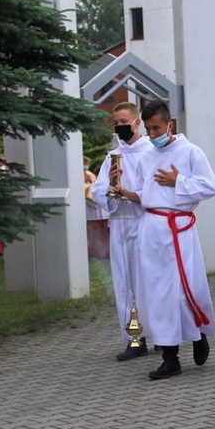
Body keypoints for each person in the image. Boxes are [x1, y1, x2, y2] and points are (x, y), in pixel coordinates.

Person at [113, 99, 215, 380]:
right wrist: (125, 192)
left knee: (184, 289)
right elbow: (145, 194)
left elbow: (210, 187)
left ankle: (197, 336)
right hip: (151, 229)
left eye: (157, 128)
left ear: (169, 124)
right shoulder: (147, 155)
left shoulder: (190, 152)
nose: (153, 135)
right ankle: (170, 357)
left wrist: (179, 181)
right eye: (148, 130)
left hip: (178, 228)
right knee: (156, 294)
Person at [92, 102, 153, 361]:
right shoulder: (111, 157)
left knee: (151, 279)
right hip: (120, 222)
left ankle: (162, 333)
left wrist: (133, 193)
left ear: (137, 122)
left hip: (146, 222)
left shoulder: (152, 151)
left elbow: (157, 190)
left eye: (124, 122)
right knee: (125, 282)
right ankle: (134, 337)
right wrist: (111, 187)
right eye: (116, 123)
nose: (120, 127)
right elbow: (97, 190)